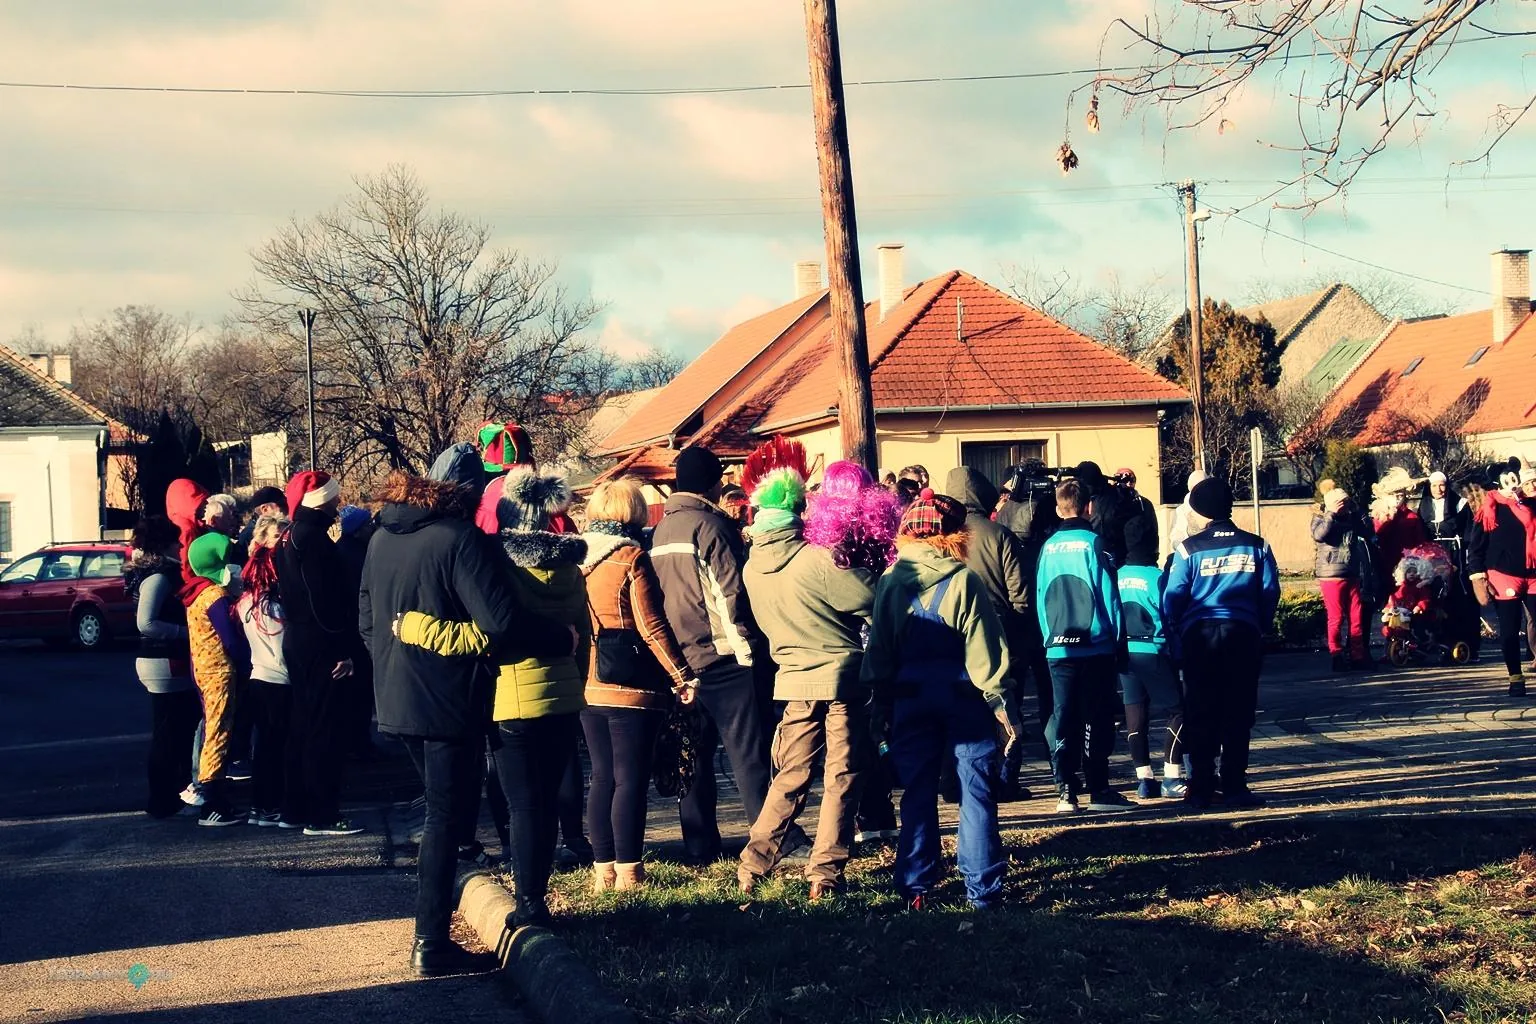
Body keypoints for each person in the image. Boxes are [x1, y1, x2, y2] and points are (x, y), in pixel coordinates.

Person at [395, 464, 591, 930]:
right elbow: (580, 634)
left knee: (522, 804)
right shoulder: (570, 566)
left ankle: (527, 902)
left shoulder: (496, 567)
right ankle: (537, 895)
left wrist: (414, 625)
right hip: (563, 697)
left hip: (512, 699)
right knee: (547, 799)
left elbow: (492, 632)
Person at [862, 493, 1020, 911]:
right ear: (954, 535)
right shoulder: (964, 580)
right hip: (963, 699)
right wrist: (1001, 704)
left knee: (917, 790)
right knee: (976, 792)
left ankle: (915, 886)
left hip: (909, 699)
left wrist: (879, 704)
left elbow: (879, 649)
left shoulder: (892, 580)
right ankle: (983, 891)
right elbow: (986, 651)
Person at [737, 441, 878, 901]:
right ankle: (825, 873)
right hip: (840, 677)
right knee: (842, 774)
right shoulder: (815, 559)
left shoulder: (752, 566)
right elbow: (864, 597)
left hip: (793, 677)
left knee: (791, 774)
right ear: (798, 509)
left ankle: (754, 862)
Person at [650, 445, 777, 863]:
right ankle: (768, 838)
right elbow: (730, 594)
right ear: (712, 482)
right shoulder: (711, 526)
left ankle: (700, 846)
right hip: (724, 657)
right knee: (749, 755)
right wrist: (748, 649)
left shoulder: (661, 531)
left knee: (693, 757)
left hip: (680, 660)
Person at [580, 478, 698, 893]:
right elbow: (652, 626)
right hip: (633, 685)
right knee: (629, 778)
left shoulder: (575, 559)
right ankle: (630, 871)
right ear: (632, 512)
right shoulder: (631, 557)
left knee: (601, 777)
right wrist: (681, 676)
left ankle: (602, 871)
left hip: (590, 683)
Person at [1163, 477, 1281, 809]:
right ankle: (1235, 784)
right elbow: (1270, 591)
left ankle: (1200, 786)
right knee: (1239, 711)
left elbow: (1174, 596)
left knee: (1201, 710)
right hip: (1242, 634)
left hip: (1199, 637)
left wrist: (1176, 630)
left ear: (1199, 511)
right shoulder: (1257, 545)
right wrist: (1261, 624)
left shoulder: (1188, 549)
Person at [804, 460, 902, 842]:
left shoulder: (822, 543)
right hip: (879, 642)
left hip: (840, 648)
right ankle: (881, 812)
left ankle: (863, 813)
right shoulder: (881, 535)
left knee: (849, 739)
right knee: (879, 729)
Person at [273, 470, 364, 837]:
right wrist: (342, 647)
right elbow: (323, 601)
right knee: (323, 727)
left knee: (302, 724)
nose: (338, 504)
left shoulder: (289, 537)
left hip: (299, 639)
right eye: (333, 498)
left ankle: (294, 807)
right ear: (320, 501)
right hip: (319, 642)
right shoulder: (313, 540)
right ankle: (322, 813)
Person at [1037, 480, 1129, 814]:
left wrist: (1049, 637)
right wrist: (1118, 640)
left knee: (1063, 715)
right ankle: (1099, 788)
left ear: (1059, 507)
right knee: (1096, 716)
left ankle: (1065, 790)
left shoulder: (1047, 547)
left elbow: (1040, 596)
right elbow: (1109, 593)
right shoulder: (1095, 543)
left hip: (1058, 647)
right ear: (1088, 506)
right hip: (1095, 645)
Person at [944, 466, 1031, 800]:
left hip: (952, 636)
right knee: (1006, 708)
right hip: (999, 633)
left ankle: (953, 782)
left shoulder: (942, 539)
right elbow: (1019, 595)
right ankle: (1005, 780)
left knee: (956, 710)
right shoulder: (999, 535)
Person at [124, 516, 201, 818]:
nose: (182, 545)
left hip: (161, 660)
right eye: (176, 540)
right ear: (165, 543)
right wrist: (185, 632)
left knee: (173, 728)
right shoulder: (159, 576)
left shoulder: (153, 573)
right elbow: (146, 622)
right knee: (170, 731)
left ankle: (170, 795)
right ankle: (164, 799)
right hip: (164, 659)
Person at [183, 532, 250, 827]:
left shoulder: (194, 594)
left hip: (202, 670)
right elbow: (231, 640)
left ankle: (213, 795)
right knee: (218, 734)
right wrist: (246, 661)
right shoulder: (215, 596)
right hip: (220, 672)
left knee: (212, 728)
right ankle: (213, 801)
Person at [995, 465, 1061, 760]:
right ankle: (1059, 763)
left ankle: (1011, 768)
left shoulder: (1005, 515)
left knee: (1015, 696)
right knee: (1050, 695)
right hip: (1046, 619)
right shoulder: (1046, 516)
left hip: (1016, 622)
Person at [234, 513, 295, 827]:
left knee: (264, 748)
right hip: (278, 680)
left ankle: (261, 806)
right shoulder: (272, 608)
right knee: (277, 748)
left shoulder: (245, 602)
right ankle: (272, 805)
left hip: (258, 676)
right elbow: (283, 648)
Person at [1461, 460, 1536, 696]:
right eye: (1508, 480)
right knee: (1510, 628)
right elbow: (1476, 547)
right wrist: (1478, 576)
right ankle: (1515, 676)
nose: (1513, 484)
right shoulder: (1490, 509)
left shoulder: (1530, 504)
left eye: (1515, 479)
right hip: (1504, 574)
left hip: (1533, 572)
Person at [1117, 544, 1186, 801]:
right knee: (1179, 711)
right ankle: (1171, 776)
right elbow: (1169, 615)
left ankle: (1144, 780)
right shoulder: (1157, 577)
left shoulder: (1117, 575)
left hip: (1124, 652)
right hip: (1153, 650)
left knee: (1135, 715)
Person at [1311, 483, 1378, 673]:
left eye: (1346, 503)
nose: (1345, 507)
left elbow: (1367, 532)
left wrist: (1357, 511)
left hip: (1352, 573)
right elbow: (1319, 535)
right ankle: (1336, 654)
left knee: (1356, 617)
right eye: (1342, 504)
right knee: (1336, 618)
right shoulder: (1320, 518)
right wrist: (1331, 514)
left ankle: (1357, 656)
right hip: (1331, 575)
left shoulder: (1352, 517)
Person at [1117, 468, 1160, 568]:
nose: (1128, 483)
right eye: (1123, 479)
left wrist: (1153, 555)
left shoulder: (1144, 503)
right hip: (1117, 558)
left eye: (1131, 479)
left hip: (1140, 559)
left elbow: (1153, 530)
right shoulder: (1111, 503)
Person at [1419, 471, 1466, 548]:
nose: (1438, 489)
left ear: (1447, 486)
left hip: (1452, 549)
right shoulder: (1422, 506)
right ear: (1429, 487)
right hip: (1429, 551)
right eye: (1434, 485)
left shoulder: (1459, 504)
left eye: (1441, 485)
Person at [1167, 469, 1209, 551]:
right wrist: (1190, 532)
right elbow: (1175, 541)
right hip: (1191, 554)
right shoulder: (1181, 511)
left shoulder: (1215, 507)